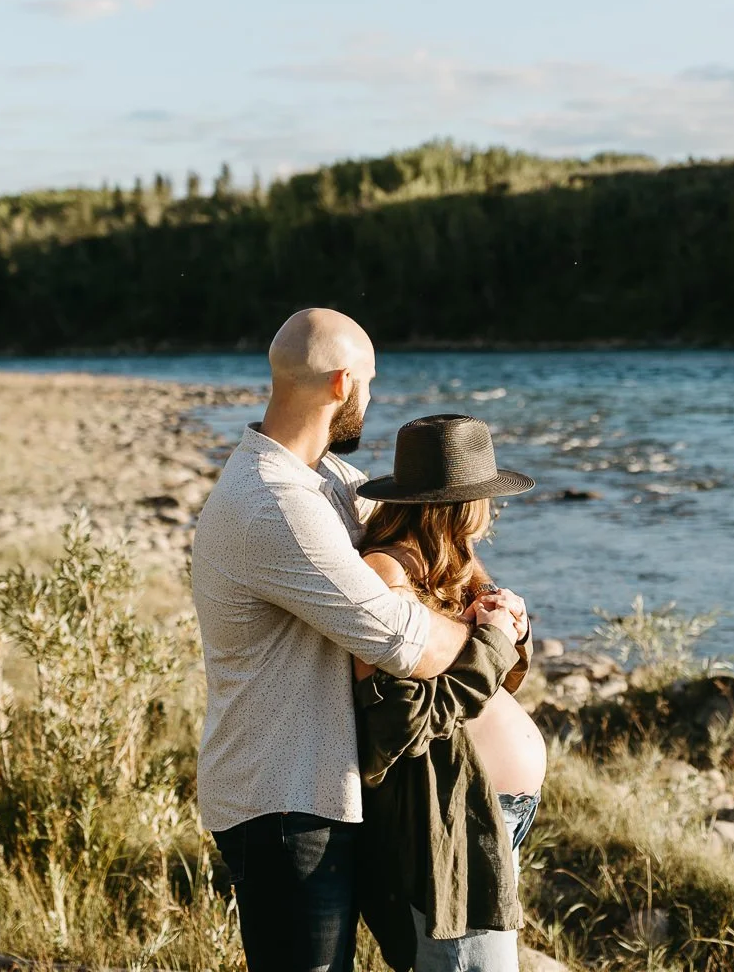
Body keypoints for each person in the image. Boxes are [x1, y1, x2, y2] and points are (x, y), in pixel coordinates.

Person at [190, 310, 528, 972]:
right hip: (284, 800)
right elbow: (403, 638)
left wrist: (494, 602)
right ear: (344, 382)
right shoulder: (274, 501)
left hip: (324, 790)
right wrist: (489, 632)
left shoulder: (327, 482)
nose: (370, 399)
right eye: (370, 383)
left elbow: (429, 554)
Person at [353, 414, 544, 972]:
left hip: (490, 810)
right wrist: (491, 639)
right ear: (462, 505)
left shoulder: (449, 563)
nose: (492, 514)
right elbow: (402, 726)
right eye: (486, 500)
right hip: (450, 815)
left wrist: (515, 626)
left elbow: (499, 679)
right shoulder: (386, 572)